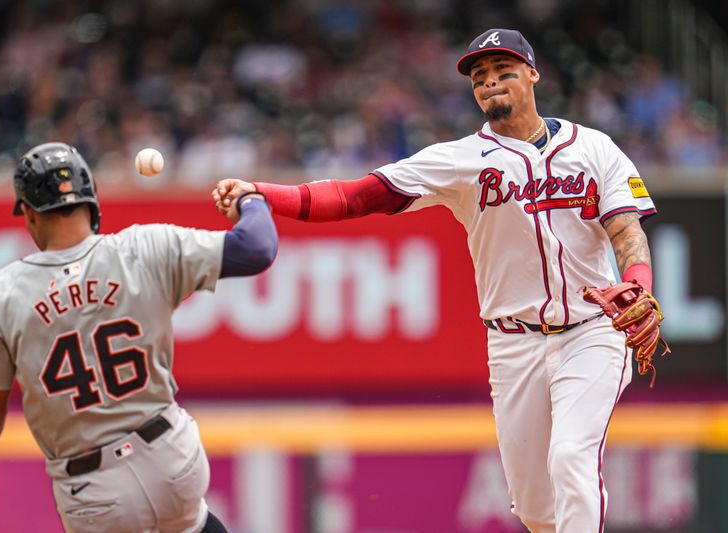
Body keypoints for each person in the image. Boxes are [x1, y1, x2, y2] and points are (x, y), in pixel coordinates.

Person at [213, 29, 664, 533]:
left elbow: (625, 229)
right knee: (537, 509)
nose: (490, 83)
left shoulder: (595, 149)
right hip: (513, 344)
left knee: (570, 458)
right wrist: (264, 193)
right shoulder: (461, 160)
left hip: (592, 331)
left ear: (533, 74)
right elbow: (355, 197)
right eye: (480, 77)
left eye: (504, 72)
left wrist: (640, 284)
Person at [0, 142, 278, 533]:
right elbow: (257, 248)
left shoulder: (2, 293)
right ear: (91, 201)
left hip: (92, 490)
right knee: (193, 523)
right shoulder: (145, 246)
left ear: (28, 213)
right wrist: (251, 199)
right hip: (170, 458)